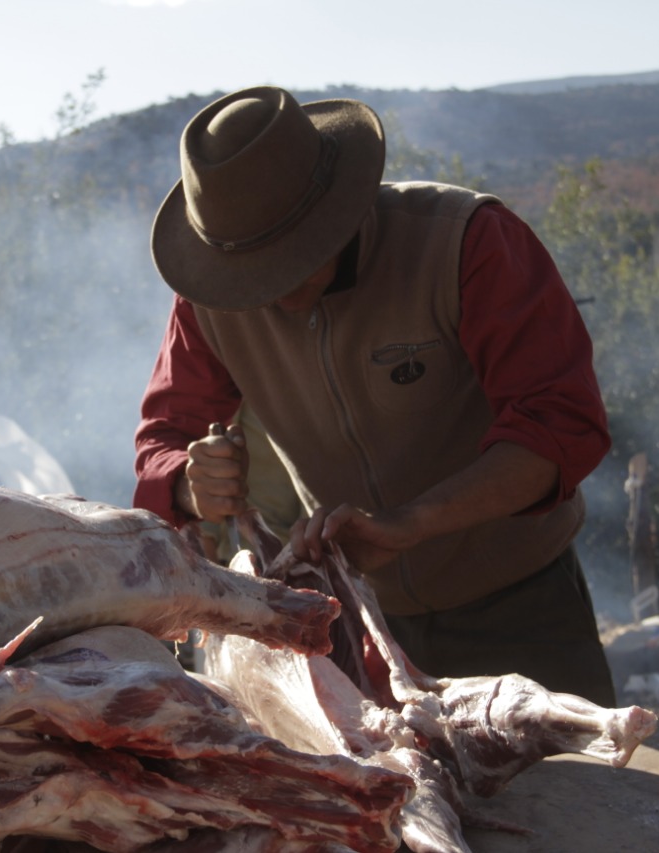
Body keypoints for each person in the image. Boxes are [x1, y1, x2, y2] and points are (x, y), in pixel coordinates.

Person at [132, 85, 616, 706]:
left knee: (579, 769)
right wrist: (188, 484)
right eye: (252, 274)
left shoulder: (464, 241)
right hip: (355, 625)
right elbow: (163, 442)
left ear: (342, 205)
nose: (272, 291)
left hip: (521, 608)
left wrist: (411, 523)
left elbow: (557, 427)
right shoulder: (209, 297)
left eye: (291, 260)